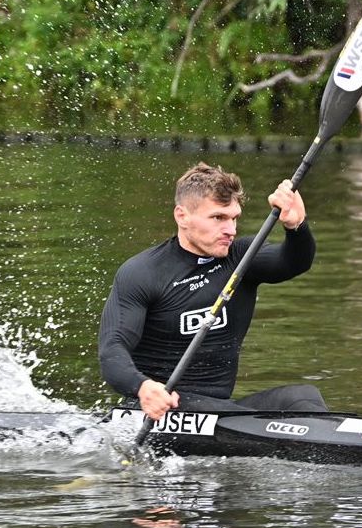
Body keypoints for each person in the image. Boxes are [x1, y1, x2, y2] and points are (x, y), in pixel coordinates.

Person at [99, 162, 329, 421]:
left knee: (303, 398)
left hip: (221, 412)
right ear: (182, 216)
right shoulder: (143, 273)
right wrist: (142, 386)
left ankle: (336, 449)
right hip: (162, 410)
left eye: (234, 218)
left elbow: (294, 262)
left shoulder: (241, 258)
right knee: (240, 416)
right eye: (218, 218)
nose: (230, 230)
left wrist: (296, 227)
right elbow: (112, 349)